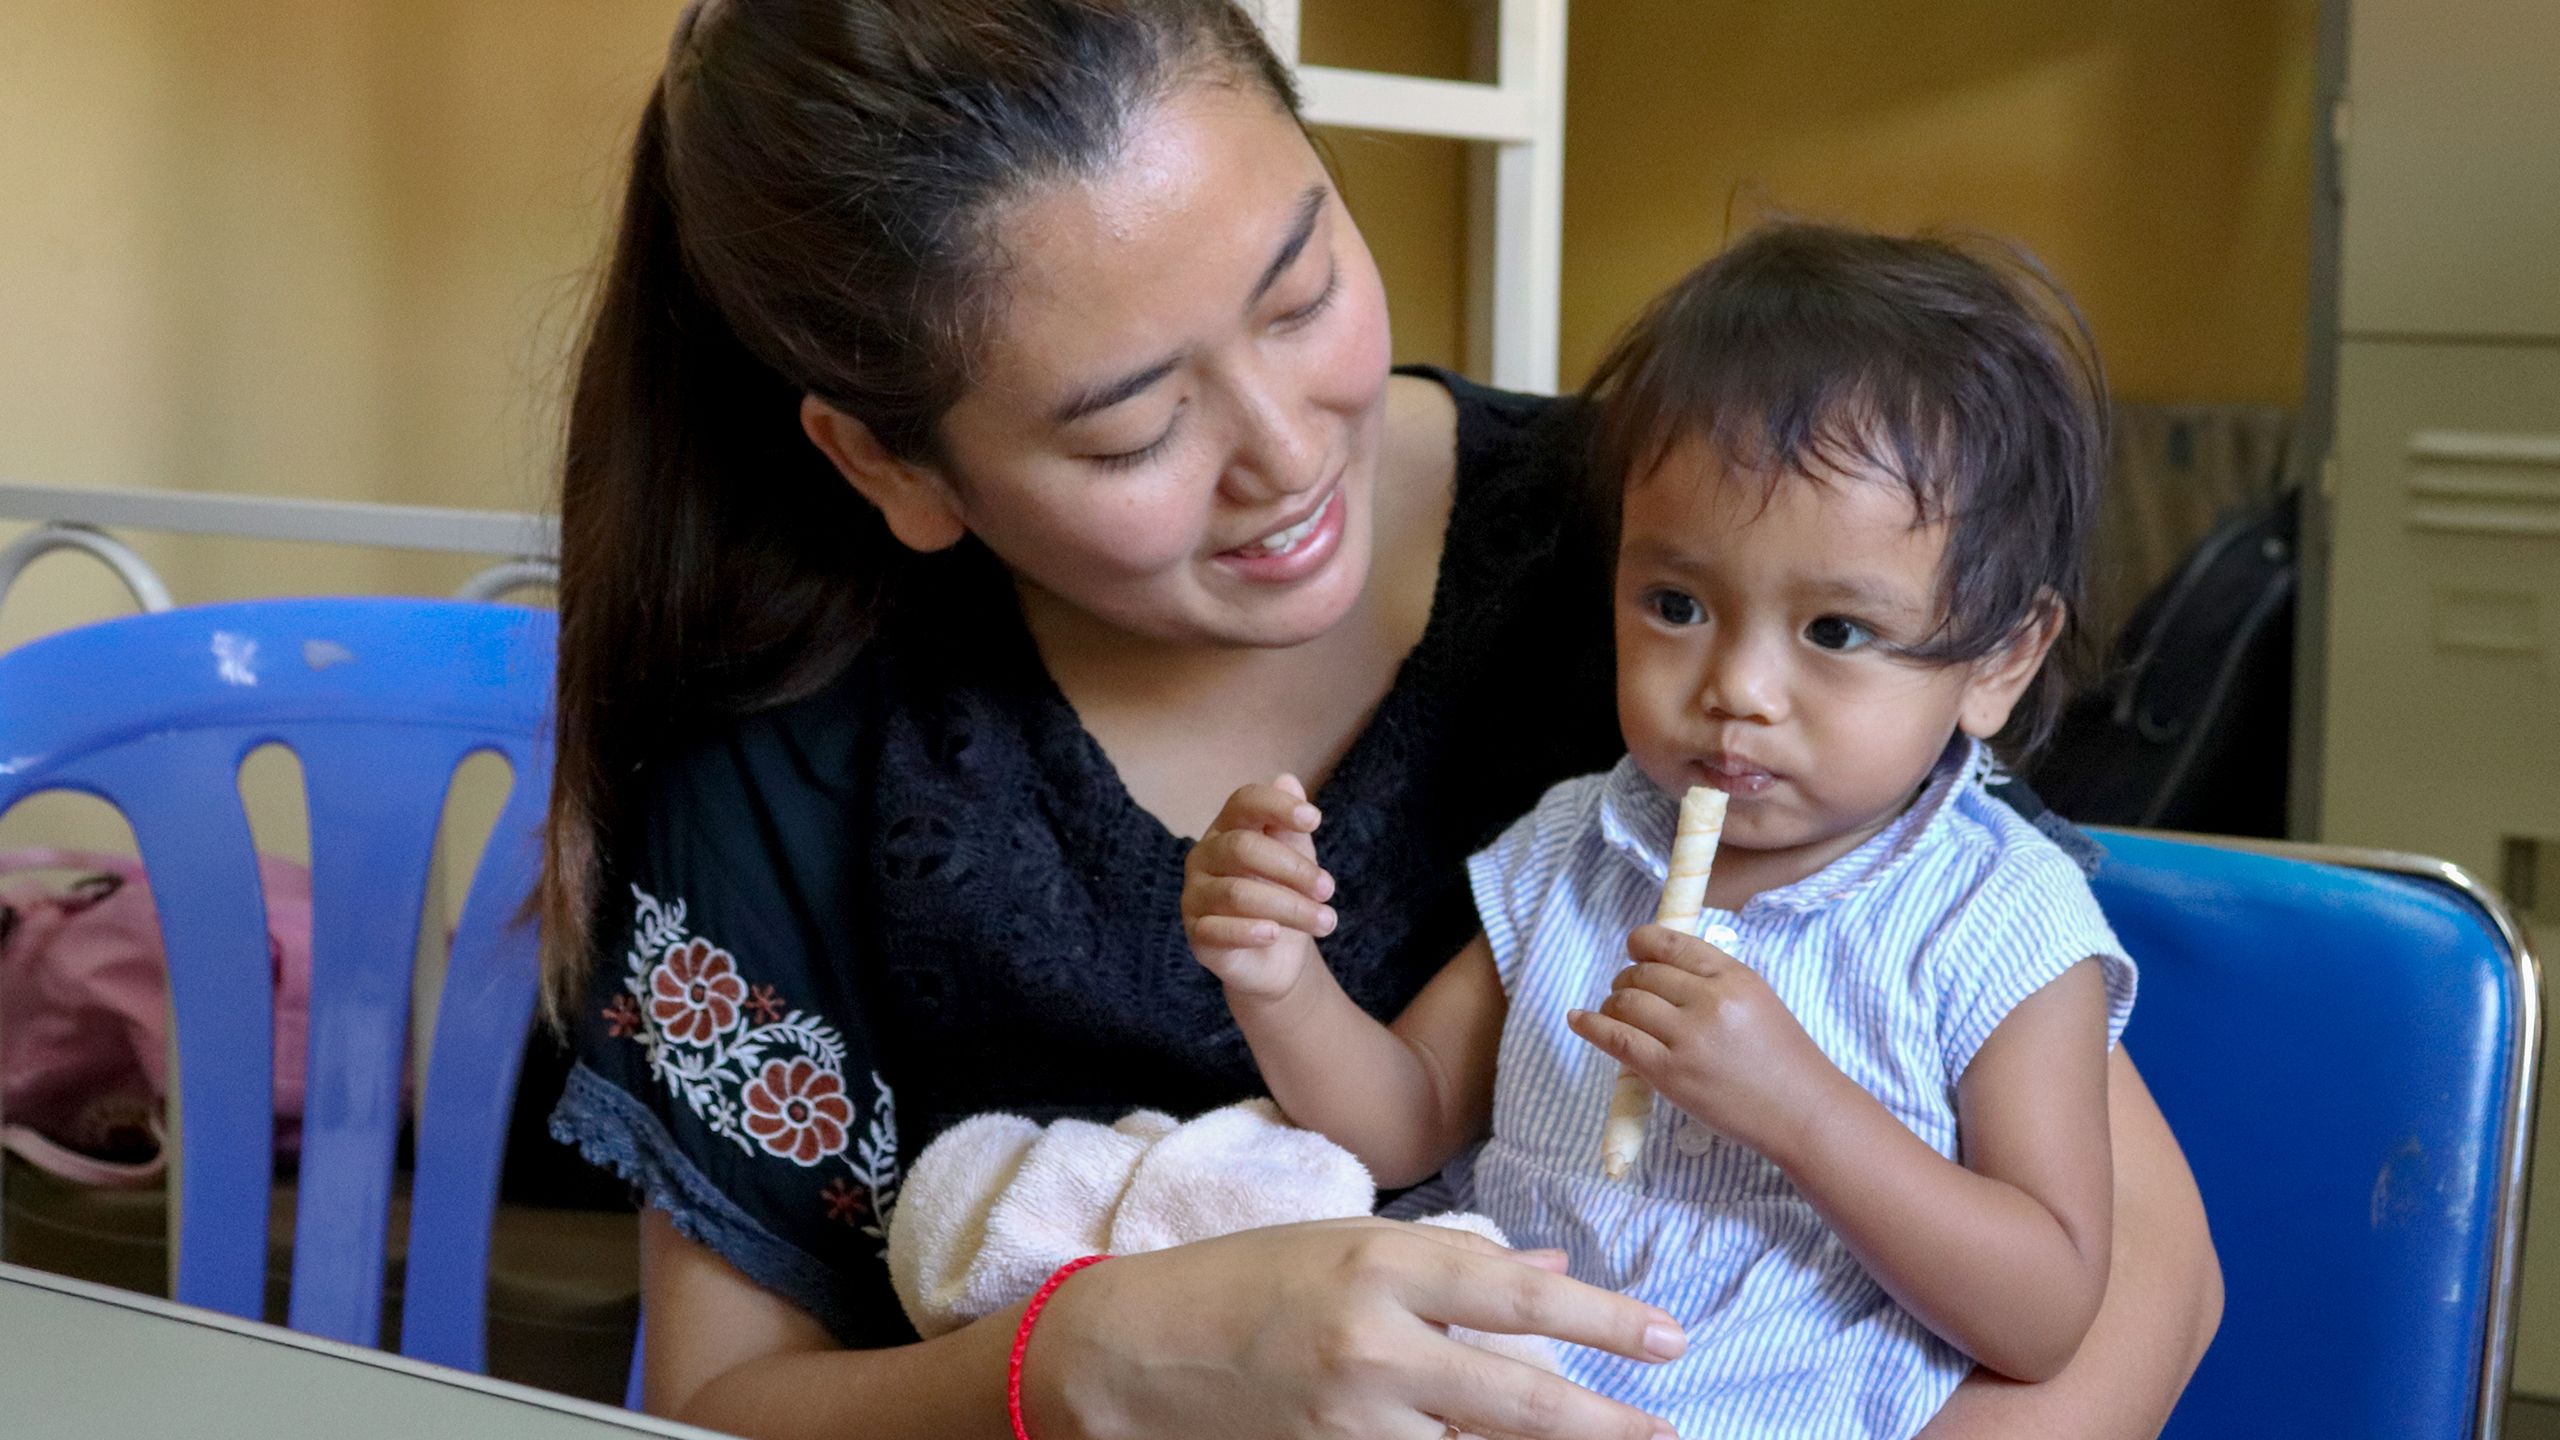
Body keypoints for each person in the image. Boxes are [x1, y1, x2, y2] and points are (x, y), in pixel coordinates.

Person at [536, 3, 2221, 1437]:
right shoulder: (799, 739)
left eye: (1301, 285)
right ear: (889, 464)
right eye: (1133, 431)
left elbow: (2140, 1272)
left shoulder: (1677, 546)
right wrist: (1087, 1364)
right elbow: (723, 1395)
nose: (1286, 451)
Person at [1182, 223, 2139, 1439]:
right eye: (1675, 604)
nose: (1734, 685)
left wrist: (1801, 1108)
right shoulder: (1577, 848)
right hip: (1504, 1390)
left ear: (2001, 662)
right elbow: (1405, 1119)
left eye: (1835, 631)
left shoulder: (1999, 922)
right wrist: (1277, 981)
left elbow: (2045, 1305)